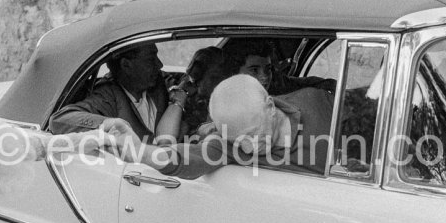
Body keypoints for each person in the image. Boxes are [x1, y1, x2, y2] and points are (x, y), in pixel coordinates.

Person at [102, 74, 335, 179]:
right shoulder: (227, 142)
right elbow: (183, 159)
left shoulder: (318, 103)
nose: (249, 146)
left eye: (254, 134)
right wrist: (138, 151)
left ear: (270, 107)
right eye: (239, 139)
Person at [49, 43, 168, 143]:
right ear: (126, 65)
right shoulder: (107, 95)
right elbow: (59, 120)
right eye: (150, 59)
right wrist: (109, 124)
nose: (159, 64)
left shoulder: (156, 82)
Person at [155, 46, 233, 144]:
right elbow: (165, 142)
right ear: (197, 78)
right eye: (214, 77)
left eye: (225, 77)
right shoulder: (182, 100)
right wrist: (180, 96)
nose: (222, 81)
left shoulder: (229, 107)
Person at [225, 38, 337, 95]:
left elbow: (296, 83)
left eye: (268, 69)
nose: (264, 77)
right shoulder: (224, 106)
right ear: (235, 72)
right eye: (254, 70)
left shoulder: (275, 87)